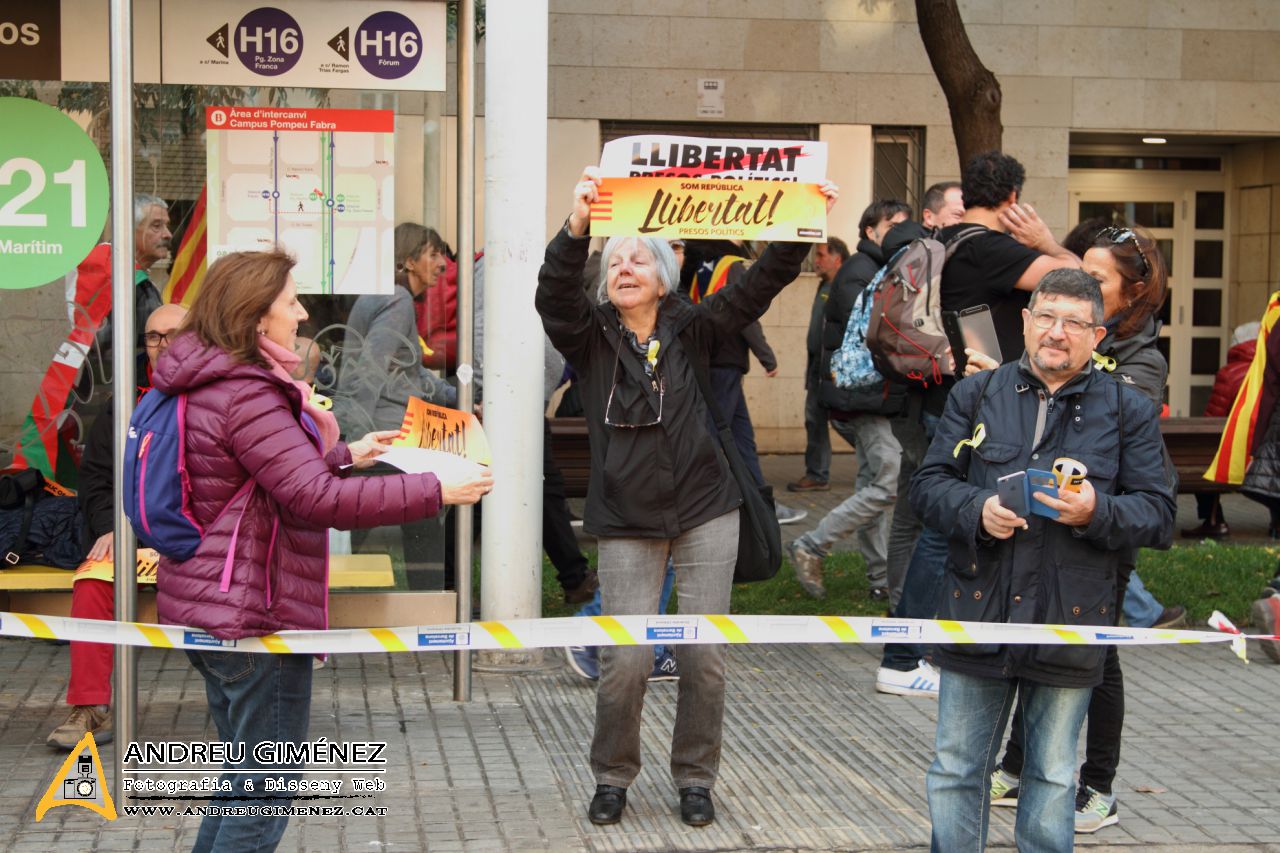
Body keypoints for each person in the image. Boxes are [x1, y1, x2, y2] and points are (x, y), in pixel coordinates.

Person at [152, 249, 492, 852]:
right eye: (290, 301)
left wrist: (345, 453)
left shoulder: (210, 377)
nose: (303, 312)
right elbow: (317, 501)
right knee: (266, 792)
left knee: (242, 783)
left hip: (215, 606)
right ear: (257, 318)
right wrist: (436, 488)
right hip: (254, 614)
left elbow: (252, 477)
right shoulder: (249, 391)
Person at [536, 166, 837, 828]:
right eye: (617, 259)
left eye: (641, 256)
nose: (627, 265)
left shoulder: (696, 326)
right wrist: (578, 227)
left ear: (666, 274)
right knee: (627, 662)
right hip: (625, 520)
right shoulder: (590, 337)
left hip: (707, 512)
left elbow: (759, 285)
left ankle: (696, 777)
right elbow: (555, 295)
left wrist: (802, 219)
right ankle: (613, 775)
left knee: (704, 659)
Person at [911, 268, 1175, 853]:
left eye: (1075, 323)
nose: (1058, 333)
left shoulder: (1128, 410)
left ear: (1097, 336)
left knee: (1053, 777)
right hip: (976, 611)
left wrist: (1096, 512)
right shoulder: (975, 394)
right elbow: (928, 487)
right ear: (1026, 323)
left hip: (1070, 622)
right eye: (1047, 318)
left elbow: (1159, 514)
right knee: (956, 770)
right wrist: (976, 508)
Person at [989, 224, 1180, 834]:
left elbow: (1119, 448)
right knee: (1033, 638)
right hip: (1042, 527)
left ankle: (1098, 785)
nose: (1079, 288)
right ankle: (1018, 765)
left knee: (1097, 659)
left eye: (1097, 279)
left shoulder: (1140, 362)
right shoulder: (1058, 346)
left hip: (1103, 532)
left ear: (1131, 293)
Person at [874, 153, 1082, 698]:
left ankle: (933, 649)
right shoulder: (992, 249)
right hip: (976, 405)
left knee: (952, 525)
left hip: (950, 399)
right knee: (946, 533)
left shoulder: (955, 242)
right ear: (1012, 198)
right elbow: (1080, 284)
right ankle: (902, 656)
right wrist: (1046, 240)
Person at [45, 303, 188, 750]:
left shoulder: (220, 394)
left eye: (174, 335)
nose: (163, 346)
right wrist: (114, 528)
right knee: (93, 577)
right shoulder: (125, 399)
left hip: (194, 540)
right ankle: (89, 707)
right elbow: (96, 478)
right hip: (131, 535)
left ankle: (251, 705)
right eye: (153, 337)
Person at [788, 201, 910, 600]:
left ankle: (880, 580)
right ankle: (813, 544)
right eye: (891, 226)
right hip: (867, 399)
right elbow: (875, 336)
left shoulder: (873, 268)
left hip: (871, 399)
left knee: (871, 482)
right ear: (870, 230)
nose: (899, 234)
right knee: (887, 483)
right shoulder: (863, 272)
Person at [882, 182, 965, 613]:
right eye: (957, 211)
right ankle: (912, 615)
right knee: (930, 520)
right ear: (930, 217)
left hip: (910, 400)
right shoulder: (933, 261)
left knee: (910, 513)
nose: (964, 218)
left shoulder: (913, 258)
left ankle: (901, 609)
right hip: (927, 402)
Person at [684, 238, 807, 525]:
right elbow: (747, 316)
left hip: (707, 358)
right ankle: (703, 505)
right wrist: (767, 356)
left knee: (742, 441)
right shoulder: (732, 265)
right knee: (714, 436)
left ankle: (761, 506)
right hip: (726, 360)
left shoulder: (698, 266)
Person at [336, 223, 457, 436]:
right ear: (410, 262)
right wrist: (356, 441)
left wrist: (462, 399)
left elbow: (411, 371)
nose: (442, 264)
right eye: (433, 255)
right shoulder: (397, 300)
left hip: (384, 431)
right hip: (383, 435)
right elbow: (370, 370)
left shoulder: (391, 297)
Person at [1183, 321, 1258, 539]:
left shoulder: (1230, 373)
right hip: (1266, 458)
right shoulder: (1272, 370)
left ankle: (1214, 520)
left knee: (1204, 458)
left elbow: (1212, 418)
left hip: (1238, 456)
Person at [787, 236, 849, 492]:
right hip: (816, 365)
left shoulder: (845, 288)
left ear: (838, 259)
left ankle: (885, 463)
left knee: (845, 421)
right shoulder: (823, 286)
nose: (817, 260)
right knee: (814, 419)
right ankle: (817, 474)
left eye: (822, 255)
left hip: (834, 368)